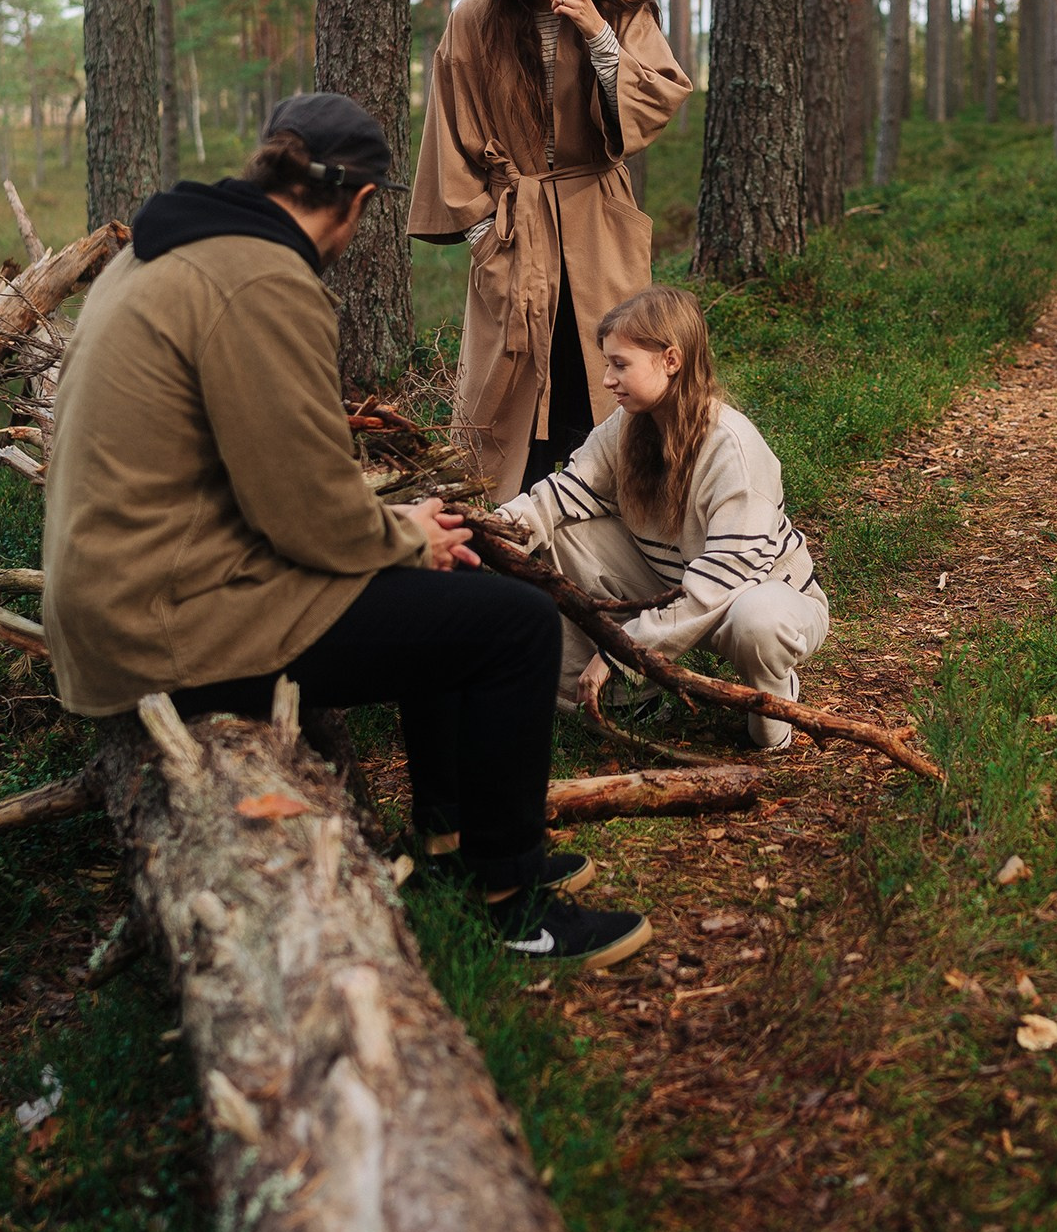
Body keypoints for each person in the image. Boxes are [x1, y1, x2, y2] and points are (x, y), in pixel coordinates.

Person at [40, 92, 651, 970]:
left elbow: (269, 481)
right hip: (170, 626)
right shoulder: (262, 279)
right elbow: (305, 511)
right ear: (360, 201)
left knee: (446, 581)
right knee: (513, 626)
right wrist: (405, 537)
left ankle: (452, 842)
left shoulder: (167, 249)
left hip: (132, 597)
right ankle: (518, 906)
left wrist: (399, 533)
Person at [408, 0, 694, 495]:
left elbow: (655, 103)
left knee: (608, 370)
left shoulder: (620, 10)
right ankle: (505, 522)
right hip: (514, 228)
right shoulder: (473, 19)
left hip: (599, 221)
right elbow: (448, 134)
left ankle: (629, 512)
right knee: (514, 382)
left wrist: (597, 33)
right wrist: (483, 233)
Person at [494, 286, 830, 753]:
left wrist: (623, 650)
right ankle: (620, 702)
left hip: (752, 598)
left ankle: (774, 708)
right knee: (560, 535)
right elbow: (563, 493)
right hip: (673, 584)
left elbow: (721, 583)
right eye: (607, 364)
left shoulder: (734, 449)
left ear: (671, 360)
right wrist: (491, 532)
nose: (607, 379)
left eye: (620, 364)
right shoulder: (627, 424)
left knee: (759, 622)